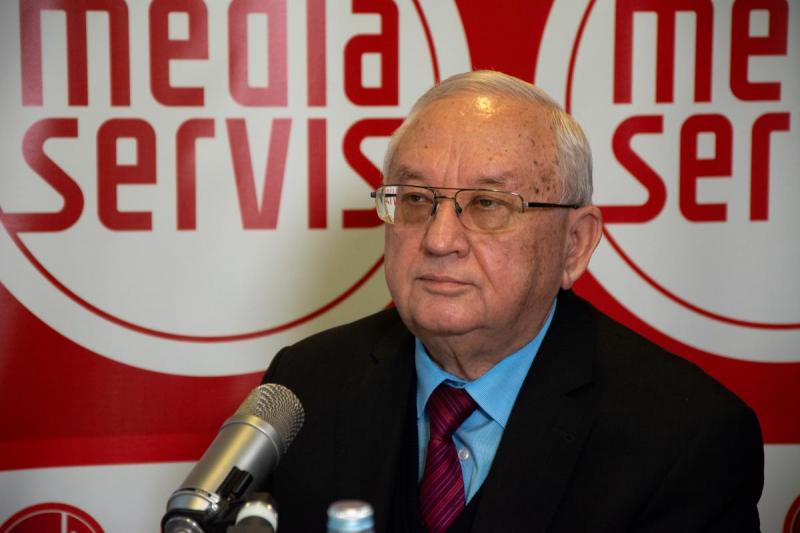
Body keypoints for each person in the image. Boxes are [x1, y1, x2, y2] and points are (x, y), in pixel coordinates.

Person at [261, 70, 763, 532]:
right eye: (415, 199)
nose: (439, 240)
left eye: (487, 204)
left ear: (574, 244)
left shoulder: (685, 438)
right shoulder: (304, 386)